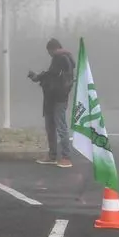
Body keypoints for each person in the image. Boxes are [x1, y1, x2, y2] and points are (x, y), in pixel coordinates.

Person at [28, 38, 76, 168]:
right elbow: (53, 75)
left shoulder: (60, 57)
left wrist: (38, 77)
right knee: (51, 127)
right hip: (55, 98)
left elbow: (52, 75)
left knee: (60, 127)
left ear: (52, 49)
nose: (49, 54)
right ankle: (52, 155)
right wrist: (40, 77)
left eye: (49, 51)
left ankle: (66, 157)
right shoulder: (66, 59)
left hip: (57, 98)